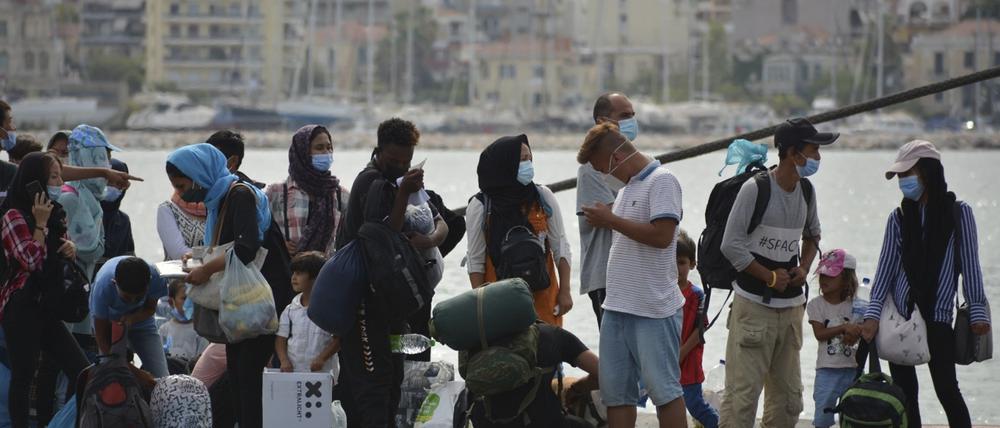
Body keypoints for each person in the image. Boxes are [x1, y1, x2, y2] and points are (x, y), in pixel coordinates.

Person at [860, 140, 991, 428]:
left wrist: (978, 312)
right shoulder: (898, 218)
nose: (903, 182)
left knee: (947, 390)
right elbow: (885, 271)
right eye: (901, 177)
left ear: (928, 172)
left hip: (939, 317)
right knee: (906, 395)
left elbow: (970, 265)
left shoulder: (959, 213)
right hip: (901, 318)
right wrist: (872, 315)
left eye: (909, 174)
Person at [716, 117, 833, 427]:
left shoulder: (806, 191)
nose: (818, 158)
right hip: (753, 308)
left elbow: (813, 235)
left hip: (791, 311)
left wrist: (804, 267)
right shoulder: (756, 189)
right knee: (743, 399)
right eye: (813, 151)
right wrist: (768, 276)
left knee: (788, 401)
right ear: (793, 153)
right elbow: (731, 245)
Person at [577, 123, 686, 428]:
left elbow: (663, 236)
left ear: (616, 157)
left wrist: (611, 219)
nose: (603, 175)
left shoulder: (663, 180)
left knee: (664, 391)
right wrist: (610, 218)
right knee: (617, 394)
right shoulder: (627, 189)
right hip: (618, 308)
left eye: (602, 167)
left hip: (652, 309)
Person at [168, 143, 277, 428]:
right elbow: (226, 246)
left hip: (254, 299)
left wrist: (205, 270)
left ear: (199, 174)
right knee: (239, 377)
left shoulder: (238, 194)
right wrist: (198, 255)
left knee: (247, 377)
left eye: (182, 185)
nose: (181, 193)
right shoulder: (220, 199)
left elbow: (245, 248)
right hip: (238, 299)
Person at [335, 117, 424, 428]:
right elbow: (381, 235)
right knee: (374, 380)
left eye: (406, 161)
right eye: (394, 160)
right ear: (378, 150)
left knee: (392, 375)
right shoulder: (372, 183)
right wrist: (404, 194)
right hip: (363, 299)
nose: (400, 166)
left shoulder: (388, 182)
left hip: (385, 301)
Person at [0, 152, 88, 427]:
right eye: (53, 176)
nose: (59, 182)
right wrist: (38, 223)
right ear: (33, 181)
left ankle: (65, 422)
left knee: (81, 369)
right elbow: (29, 260)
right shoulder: (13, 215)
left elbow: (58, 252)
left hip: (47, 303)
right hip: (21, 305)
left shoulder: (55, 212)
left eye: (60, 175)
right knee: (24, 376)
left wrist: (70, 247)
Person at [466, 134, 573, 325]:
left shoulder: (542, 197)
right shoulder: (481, 205)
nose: (528, 164)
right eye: (522, 160)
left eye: (529, 158)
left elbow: (561, 246)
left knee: (548, 350)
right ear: (504, 164)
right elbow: (475, 259)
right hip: (498, 301)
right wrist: (480, 304)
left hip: (544, 298)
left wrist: (565, 291)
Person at [577, 92, 636, 326]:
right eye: (624, 116)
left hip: (635, 275)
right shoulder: (592, 167)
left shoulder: (637, 161)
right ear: (603, 121)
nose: (631, 121)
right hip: (606, 278)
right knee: (618, 353)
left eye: (632, 115)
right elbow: (612, 215)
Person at [470, 324, 600, 428]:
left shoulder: (477, 339)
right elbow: (604, 375)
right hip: (543, 422)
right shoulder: (552, 334)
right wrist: (576, 388)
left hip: (486, 422)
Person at [266, 125, 349, 256]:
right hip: (287, 271)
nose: (326, 153)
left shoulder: (339, 194)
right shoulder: (277, 193)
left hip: (325, 272)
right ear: (302, 152)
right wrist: (278, 245)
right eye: (319, 148)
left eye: (329, 147)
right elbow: (259, 232)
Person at [807, 249, 863, 428]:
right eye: (822, 275)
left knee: (852, 415)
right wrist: (844, 327)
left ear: (846, 279)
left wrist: (855, 332)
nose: (824, 280)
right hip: (826, 371)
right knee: (823, 414)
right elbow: (820, 334)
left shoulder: (856, 306)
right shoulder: (816, 305)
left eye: (830, 276)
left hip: (852, 370)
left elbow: (862, 333)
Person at [89, 256, 170, 377]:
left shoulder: (157, 277)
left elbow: (150, 308)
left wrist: (133, 318)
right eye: (126, 298)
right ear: (114, 282)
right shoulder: (103, 287)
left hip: (141, 319)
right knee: (112, 372)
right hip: (109, 323)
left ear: (149, 283)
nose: (132, 302)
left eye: (138, 297)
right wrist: (137, 374)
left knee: (161, 375)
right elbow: (103, 344)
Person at [675, 231, 719, 428]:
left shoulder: (696, 295)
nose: (676, 268)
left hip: (689, 358)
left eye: (682, 262)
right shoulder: (662, 291)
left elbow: (700, 329)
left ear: (692, 264)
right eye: (672, 261)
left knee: (694, 404)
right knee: (661, 400)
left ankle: (719, 424)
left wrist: (681, 353)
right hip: (665, 357)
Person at [276, 251, 341, 375]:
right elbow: (281, 338)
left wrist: (322, 358)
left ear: (316, 277)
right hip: (294, 372)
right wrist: (284, 360)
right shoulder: (290, 310)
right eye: (293, 273)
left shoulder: (330, 308)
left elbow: (338, 339)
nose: (294, 278)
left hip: (324, 373)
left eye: (299, 274)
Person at [97, 158, 135, 272]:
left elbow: (129, 260)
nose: (113, 187)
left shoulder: (123, 220)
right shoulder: (85, 214)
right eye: (108, 182)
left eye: (119, 184)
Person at [158, 280, 207, 362]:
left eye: (191, 298)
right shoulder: (164, 329)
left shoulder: (200, 330)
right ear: (171, 302)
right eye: (184, 298)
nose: (189, 303)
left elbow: (202, 358)